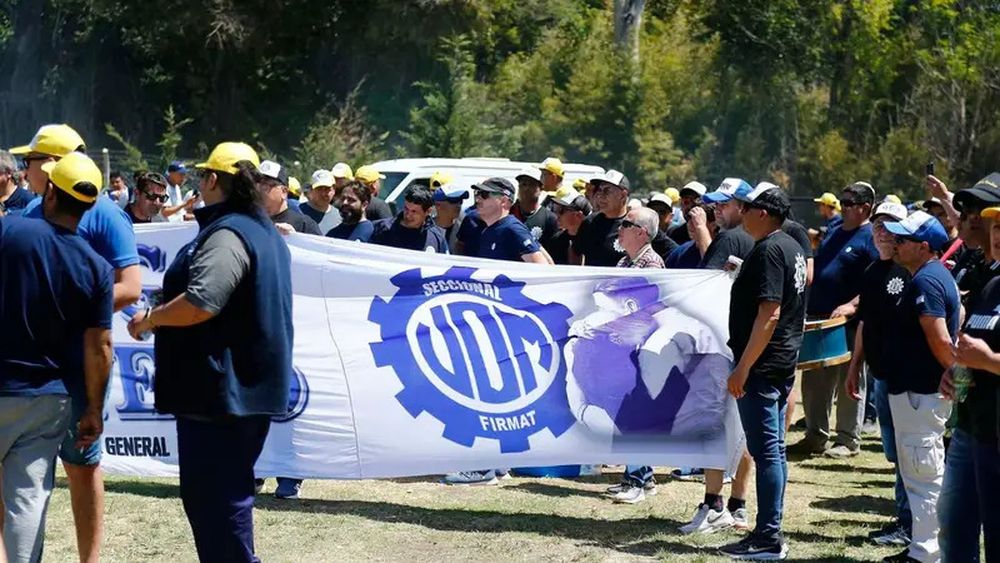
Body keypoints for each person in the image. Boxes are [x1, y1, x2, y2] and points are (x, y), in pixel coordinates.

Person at [126, 142, 293, 563]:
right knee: (224, 499)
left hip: (221, 394)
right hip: (239, 390)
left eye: (203, 175)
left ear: (213, 180)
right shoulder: (262, 231)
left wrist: (151, 319)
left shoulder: (229, 233)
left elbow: (202, 301)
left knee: (216, 504)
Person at [15, 123, 141, 563]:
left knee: (81, 466)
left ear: (49, 167)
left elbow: (131, 285)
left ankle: (90, 559)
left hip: (79, 363)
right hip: (33, 366)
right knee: (20, 473)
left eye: (28, 161)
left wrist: (73, 309)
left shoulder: (104, 213)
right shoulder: (28, 215)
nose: (22, 169)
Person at [0, 152, 113, 563]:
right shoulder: (97, 267)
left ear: (49, 192)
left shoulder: (9, 231)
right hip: (49, 400)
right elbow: (99, 348)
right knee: (27, 502)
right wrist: (94, 412)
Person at [718, 183, 807, 560]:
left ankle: (769, 537)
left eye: (750, 208)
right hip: (779, 362)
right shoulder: (791, 247)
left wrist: (743, 367)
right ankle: (768, 531)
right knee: (774, 452)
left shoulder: (772, 249)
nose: (744, 214)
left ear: (765, 214)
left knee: (766, 451)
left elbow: (769, 313)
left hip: (763, 365)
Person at [876, 211, 958, 563]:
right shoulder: (926, 276)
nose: (895, 243)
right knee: (917, 473)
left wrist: (959, 382)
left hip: (921, 395)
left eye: (903, 240)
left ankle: (926, 553)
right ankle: (921, 547)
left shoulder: (927, 281)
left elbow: (941, 342)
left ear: (924, 247)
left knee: (923, 475)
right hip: (914, 393)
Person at [676, 183, 756, 536]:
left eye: (725, 204)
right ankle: (736, 504)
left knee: (715, 425)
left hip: (723, 344)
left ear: (744, 205)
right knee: (744, 431)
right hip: (744, 342)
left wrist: (702, 235)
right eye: (715, 205)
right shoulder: (761, 237)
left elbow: (708, 286)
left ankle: (713, 503)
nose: (717, 210)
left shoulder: (727, 239)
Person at [935, 173, 1000, 561]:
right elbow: (970, 345)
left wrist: (987, 361)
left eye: (985, 214)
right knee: (955, 526)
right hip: (973, 427)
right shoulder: (989, 283)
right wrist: (957, 373)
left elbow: (984, 353)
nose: (977, 221)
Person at [791, 182, 879, 458]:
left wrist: (852, 306)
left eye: (850, 203)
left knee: (849, 381)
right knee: (815, 379)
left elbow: (877, 281)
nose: (844, 207)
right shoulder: (835, 232)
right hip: (819, 318)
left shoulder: (870, 237)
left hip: (850, 323)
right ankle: (815, 436)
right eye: (842, 202)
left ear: (866, 208)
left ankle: (847, 438)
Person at [844, 201, 914, 548]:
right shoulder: (872, 272)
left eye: (890, 225)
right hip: (879, 374)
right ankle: (905, 514)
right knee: (893, 452)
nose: (883, 232)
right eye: (878, 225)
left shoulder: (910, 270)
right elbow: (865, 323)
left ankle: (910, 520)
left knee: (908, 451)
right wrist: (855, 365)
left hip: (908, 378)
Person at [603, 206, 665, 504]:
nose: (620, 228)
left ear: (641, 232)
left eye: (626, 224)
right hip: (623, 348)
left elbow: (649, 310)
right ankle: (640, 475)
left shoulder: (651, 263)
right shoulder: (626, 261)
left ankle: (637, 480)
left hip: (641, 350)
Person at [573, 170, 631, 266]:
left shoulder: (635, 224)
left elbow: (663, 250)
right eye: (599, 190)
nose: (600, 195)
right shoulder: (589, 223)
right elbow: (575, 251)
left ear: (623, 195)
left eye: (607, 191)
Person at [697, 178, 755, 269]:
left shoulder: (729, 238)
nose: (717, 209)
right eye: (716, 203)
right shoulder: (759, 235)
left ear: (742, 207)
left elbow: (709, 278)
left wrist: (701, 228)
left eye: (724, 204)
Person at [370, 186, 448, 253]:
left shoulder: (437, 237)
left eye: (414, 211)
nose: (408, 215)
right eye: (406, 209)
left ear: (428, 211)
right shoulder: (380, 229)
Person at [257, 160, 321, 236]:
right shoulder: (249, 220)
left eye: (265, 186)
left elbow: (322, 247)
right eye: (255, 184)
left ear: (284, 192)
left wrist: (295, 238)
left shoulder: (305, 225)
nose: (258, 190)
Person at [512, 168, 559, 252]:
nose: (526, 188)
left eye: (531, 184)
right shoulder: (508, 213)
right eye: (523, 184)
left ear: (541, 188)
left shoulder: (549, 218)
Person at [547, 188, 592, 265]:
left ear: (578, 215)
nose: (556, 215)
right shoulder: (556, 241)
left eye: (561, 210)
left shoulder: (594, 240)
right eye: (554, 209)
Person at [666, 204, 715, 269]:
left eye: (697, 220)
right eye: (689, 218)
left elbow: (712, 266)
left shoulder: (724, 248)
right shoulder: (679, 253)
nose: (690, 224)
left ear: (713, 225)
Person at [922, 197, 964, 267]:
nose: (935, 219)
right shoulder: (928, 245)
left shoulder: (965, 246)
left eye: (941, 214)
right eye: (932, 214)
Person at [300, 169, 342, 234]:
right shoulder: (298, 212)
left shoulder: (339, 217)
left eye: (327, 189)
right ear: (311, 190)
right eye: (319, 189)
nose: (323, 193)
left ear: (334, 190)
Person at [668, 181, 707, 245]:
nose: (690, 207)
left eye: (695, 202)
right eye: (686, 202)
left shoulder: (713, 230)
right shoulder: (674, 233)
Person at [431, 185, 468, 250]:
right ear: (438, 205)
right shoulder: (426, 229)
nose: (458, 205)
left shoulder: (463, 229)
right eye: (453, 201)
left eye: (460, 201)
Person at [646, 192, 679, 262]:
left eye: (662, 212)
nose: (657, 215)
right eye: (653, 211)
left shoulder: (675, 237)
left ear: (671, 216)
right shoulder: (640, 235)